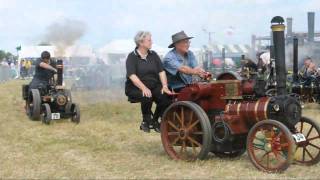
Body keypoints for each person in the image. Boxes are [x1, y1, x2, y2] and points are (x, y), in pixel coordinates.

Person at [125, 31, 174, 133]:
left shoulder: (153, 55)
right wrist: (143, 87)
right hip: (135, 87)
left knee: (166, 96)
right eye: (149, 40)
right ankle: (146, 121)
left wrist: (164, 86)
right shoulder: (132, 57)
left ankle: (155, 120)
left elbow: (161, 71)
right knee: (147, 95)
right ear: (141, 42)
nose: (151, 42)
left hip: (153, 85)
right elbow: (132, 76)